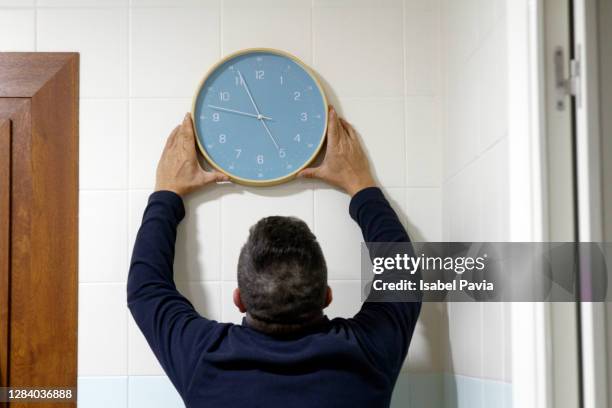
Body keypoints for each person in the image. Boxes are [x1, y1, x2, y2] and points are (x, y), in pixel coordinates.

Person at [127, 106, 421, 407]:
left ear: (239, 298)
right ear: (327, 296)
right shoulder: (367, 354)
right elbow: (406, 274)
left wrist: (167, 191)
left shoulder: (204, 359)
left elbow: (145, 290)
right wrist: (361, 184)